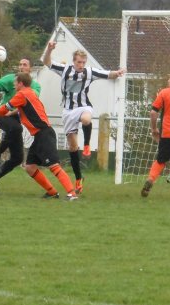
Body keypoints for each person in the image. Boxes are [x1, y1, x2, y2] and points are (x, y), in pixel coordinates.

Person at [43, 41, 125, 194]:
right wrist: (49, 49)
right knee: (73, 148)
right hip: (68, 111)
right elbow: (47, 62)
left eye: (83, 62)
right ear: (73, 61)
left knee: (87, 119)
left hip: (83, 106)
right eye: (79, 62)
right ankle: (78, 178)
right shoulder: (64, 69)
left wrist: (118, 72)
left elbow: (108, 74)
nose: (81, 64)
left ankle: (87, 145)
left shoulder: (89, 72)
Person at [0, 72, 78, 200]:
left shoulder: (22, 94)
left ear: (21, 83)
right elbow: (20, 109)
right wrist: (8, 115)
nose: (14, 84)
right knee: (30, 167)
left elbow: (4, 108)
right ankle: (52, 192)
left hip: (44, 133)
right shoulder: (29, 93)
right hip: (39, 135)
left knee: (53, 165)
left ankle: (72, 194)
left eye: (15, 82)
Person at [0, 57, 41, 194]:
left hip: (14, 119)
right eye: (20, 64)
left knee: (17, 158)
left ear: (30, 69)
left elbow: (29, 101)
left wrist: (13, 112)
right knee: (15, 128)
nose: (21, 66)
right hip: (2, 115)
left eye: (25, 64)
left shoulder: (35, 86)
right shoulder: (11, 80)